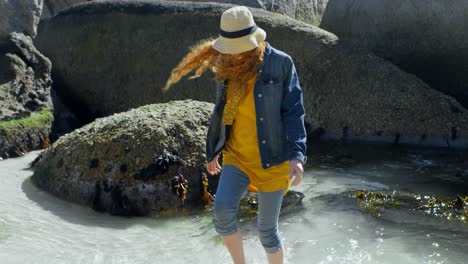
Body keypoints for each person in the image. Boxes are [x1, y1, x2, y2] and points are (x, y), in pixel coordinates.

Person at [164, 6, 307, 264]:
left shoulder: (281, 63)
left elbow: (294, 111)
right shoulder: (226, 65)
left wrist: (297, 155)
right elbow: (220, 113)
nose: (233, 53)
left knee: (267, 232)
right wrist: (213, 151)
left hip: (273, 160)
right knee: (221, 213)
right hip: (237, 156)